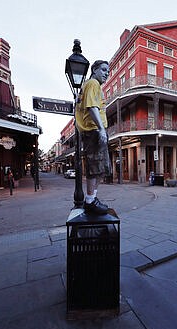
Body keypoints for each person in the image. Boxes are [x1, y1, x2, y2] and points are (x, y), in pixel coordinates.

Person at [76, 60, 111, 214]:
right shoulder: (92, 83)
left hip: (96, 131)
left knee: (101, 169)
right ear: (94, 69)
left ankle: (93, 198)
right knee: (95, 167)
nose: (106, 73)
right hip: (94, 131)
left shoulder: (93, 86)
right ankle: (90, 201)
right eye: (103, 70)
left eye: (108, 71)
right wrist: (101, 129)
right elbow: (92, 108)